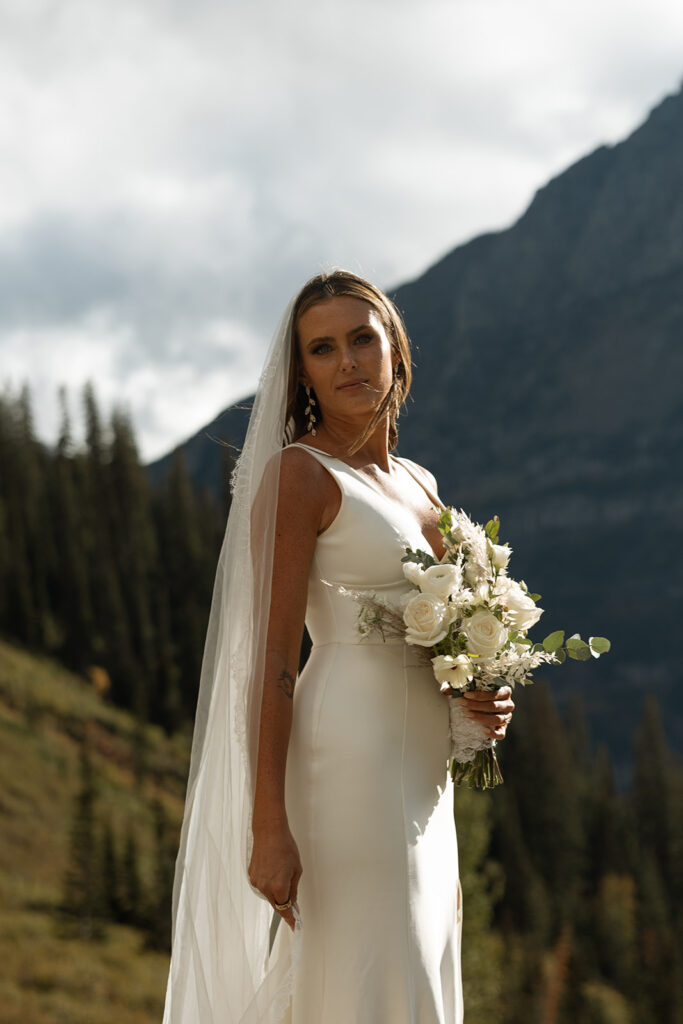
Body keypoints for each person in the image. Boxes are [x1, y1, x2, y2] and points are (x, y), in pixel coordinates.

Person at [162, 270, 514, 1024]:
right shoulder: (300, 476)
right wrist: (266, 828)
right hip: (344, 756)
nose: (348, 361)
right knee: (369, 964)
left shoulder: (420, 483)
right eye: (322, 349)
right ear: (304, 375)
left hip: (425, 767)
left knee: (422, 949)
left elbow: (433, 636)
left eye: (362, 338)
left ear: (396, 351)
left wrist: (480, 694)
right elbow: (271, 661)